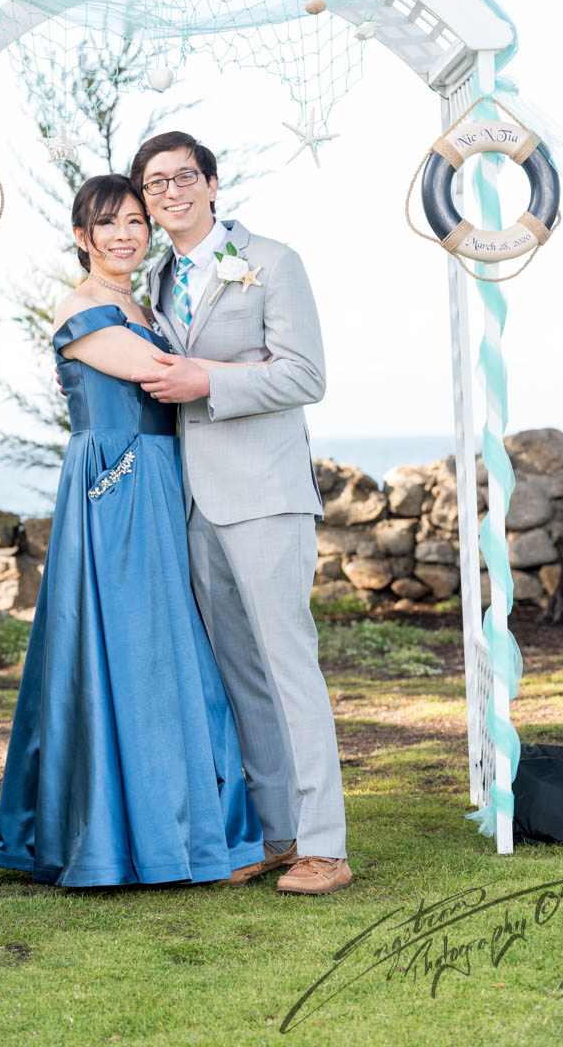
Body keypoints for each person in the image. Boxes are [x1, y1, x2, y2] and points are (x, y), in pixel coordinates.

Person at [0, 174, 265, 887]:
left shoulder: (145, 305)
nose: (124, 235)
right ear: (81, 236)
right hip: (117, 484)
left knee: (172, 647)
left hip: (164, 474)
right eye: (107, 223)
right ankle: (131, 834)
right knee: (133, 647)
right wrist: (262, 368)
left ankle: (181, 823)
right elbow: (161, 372)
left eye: (135, 221)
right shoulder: (81, 307)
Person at [128, 131, 351, 895]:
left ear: (212, 184)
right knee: (240, 677)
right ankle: (276, 832)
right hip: (193, 503)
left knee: (289, 668)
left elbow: (304, 375)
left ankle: (326, 846)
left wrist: (209, 380)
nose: (171, 192)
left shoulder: (273, 261)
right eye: (155, 184)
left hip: (264, 495)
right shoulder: (155, 276)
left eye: (183, 177)